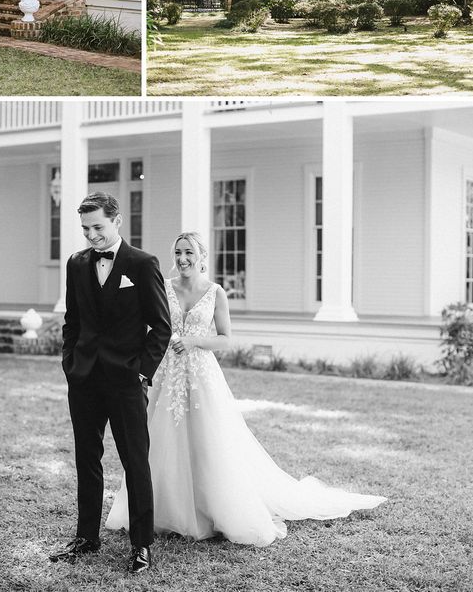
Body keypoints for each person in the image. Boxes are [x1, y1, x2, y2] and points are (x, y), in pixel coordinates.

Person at [106, 231, 386, 547]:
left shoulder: (215, 293)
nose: (183, 259)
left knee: (208, 442)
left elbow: (226, 338)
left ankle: (212, 508)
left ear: (201, 257)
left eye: (189, 253)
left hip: (200, 374)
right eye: (178, 253)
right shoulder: (164, 288)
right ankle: (161, 510)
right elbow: (151, 325)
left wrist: (195, 341)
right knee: (159, 440)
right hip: (166, 373)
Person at [50, 192, 171, 573]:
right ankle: (86, 537)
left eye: (98, 227)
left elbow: (161, 327)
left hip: (124, 380)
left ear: (117, 221)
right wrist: (70, 361)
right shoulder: (76, 263)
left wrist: (141, 372)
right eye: (86, 229)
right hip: (83, 377)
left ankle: (141, 545)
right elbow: (73, 320)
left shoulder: (142, 263)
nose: (92, 236)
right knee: (87, 458)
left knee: (135, 461)